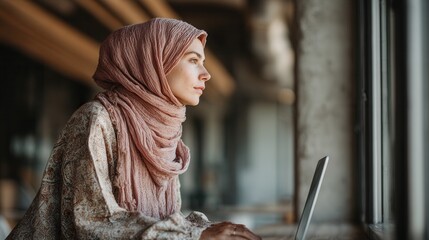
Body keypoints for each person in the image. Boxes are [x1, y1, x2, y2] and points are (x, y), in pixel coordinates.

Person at [6, 18, 261, 239]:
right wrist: (195, 235)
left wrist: (207, 229)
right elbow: (92, 223)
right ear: (155, 63)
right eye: (193, 60)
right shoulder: (98, 119)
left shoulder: (163, 128)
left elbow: (161, 218)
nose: (206, 73)